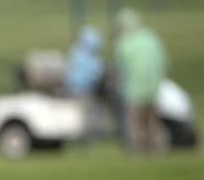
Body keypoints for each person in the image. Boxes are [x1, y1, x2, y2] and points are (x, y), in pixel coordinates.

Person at [113, 8, 168, 153]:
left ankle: (137, 149)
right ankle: (157, 148)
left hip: (134, 88)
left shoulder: (123, 43)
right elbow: (162, 62)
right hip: (153, 87)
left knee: (135, 123)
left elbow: (120, 69)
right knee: (153, 122)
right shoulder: (151, 38)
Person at [64, 25, 104, 97]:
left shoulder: (74, 52)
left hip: (70, 89)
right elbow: (96, 74)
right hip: (84, 91)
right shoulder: (93, 61)